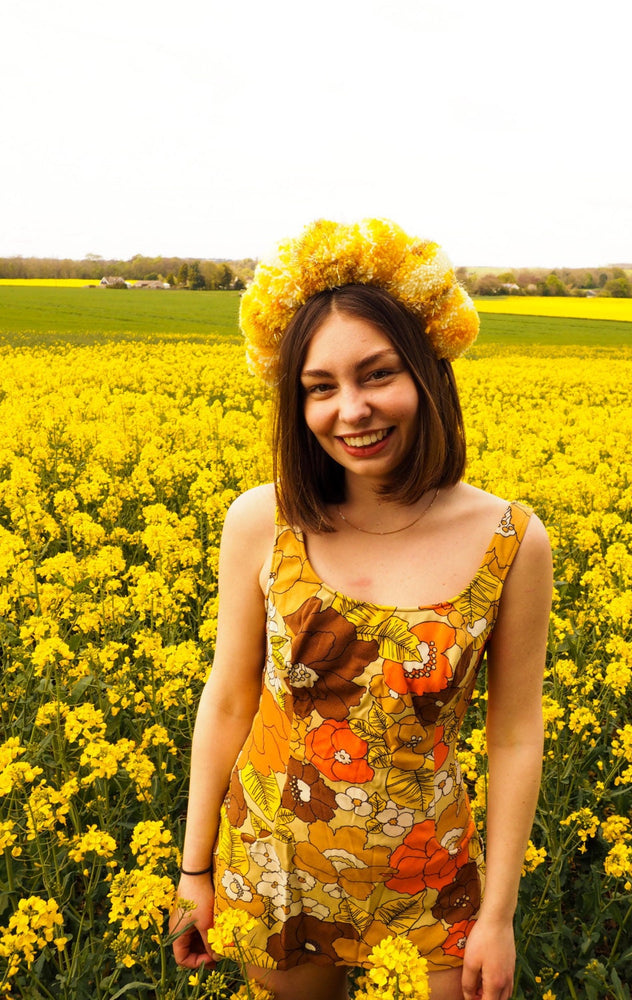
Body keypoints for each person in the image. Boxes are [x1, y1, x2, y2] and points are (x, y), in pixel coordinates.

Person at [169, 219, 552, 1000]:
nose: (352, 410)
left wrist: (500, 916)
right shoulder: (260, 521)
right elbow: (232, 696)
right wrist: (194, 870)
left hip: (428, 882)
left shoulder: (511, 539)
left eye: (376, 375)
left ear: (428, 373)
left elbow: (513, 734)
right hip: (272, 865)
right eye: (320, 387)